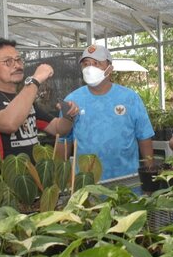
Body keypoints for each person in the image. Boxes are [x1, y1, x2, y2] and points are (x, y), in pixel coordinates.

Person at [57, 44, 155, 181]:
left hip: (128, 183)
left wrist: (149, 178)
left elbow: (144, 139)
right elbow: (63, 142)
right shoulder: (72, 101)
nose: (90, 68)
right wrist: (60, 181)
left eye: (96, 63)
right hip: (87, 185)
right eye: (86, 64)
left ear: (110, 69)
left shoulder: (130, 98)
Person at [0, 38, 78, 160]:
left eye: (18, 59)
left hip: (33, 177)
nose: (17, 65)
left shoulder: (25, 100)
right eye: (8, 61)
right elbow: (10, 124)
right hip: (4, 177)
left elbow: (58, 128)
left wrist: (68, 115)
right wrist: (35, 79)